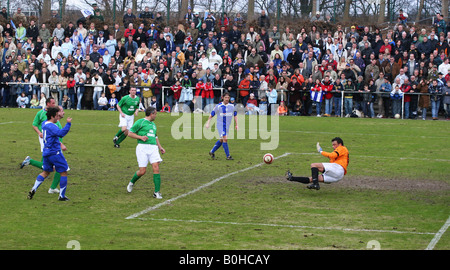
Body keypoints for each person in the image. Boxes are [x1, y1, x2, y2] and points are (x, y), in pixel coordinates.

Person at [27, 106, 72, 201]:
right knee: (63, 172)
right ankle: (62, 196)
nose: (58, 118)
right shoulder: (52, 126)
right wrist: (68, 124)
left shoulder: (44, 124)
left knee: (45, 172)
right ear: (52, 116)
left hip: (46, 153)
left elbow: (55, 122)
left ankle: (33, 189)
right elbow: (61, 133)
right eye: (56, 116)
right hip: (55, 153)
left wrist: (60, 115)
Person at [20, 98, 65, 194]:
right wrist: (40, 133)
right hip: (48, 141)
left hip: (53, 142)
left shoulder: (54, 115)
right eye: (53, 103)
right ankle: (53, 188)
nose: (54, 104)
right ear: (48, 104)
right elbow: (34, 125)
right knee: (56, 167)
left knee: (47, 166)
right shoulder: (41, 114)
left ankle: (31, 163)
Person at [126, 106, 166, 199]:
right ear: (151, 114)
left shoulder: (153, 124)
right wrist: (141, 137)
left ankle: (156, 192)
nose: (156, 115)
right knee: (142, 171)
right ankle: (132, 182)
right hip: (142, 148)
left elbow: (155, 137)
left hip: (153, 148)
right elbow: (130, 133)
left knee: (156, 167)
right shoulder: (140, 122)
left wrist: (160, 147)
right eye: (155, 114)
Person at [205, 92, 238, 160]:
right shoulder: (218, 106)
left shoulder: (232, 106)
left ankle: (212, 151)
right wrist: (208, 123)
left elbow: (235, 115)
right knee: (225, 139)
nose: (227, 99)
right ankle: (228, 156)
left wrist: (236, 124)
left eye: (228, 98)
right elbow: (211, 114)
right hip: (220, 125)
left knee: (221, 140)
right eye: (225, 97)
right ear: (223, 97)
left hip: (227, 126)